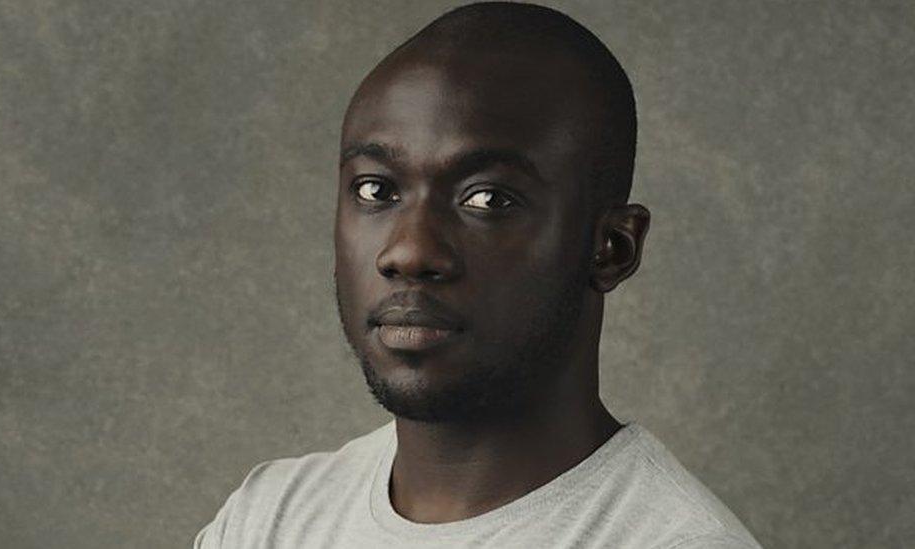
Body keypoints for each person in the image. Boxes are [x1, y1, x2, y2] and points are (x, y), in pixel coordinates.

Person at [194, 2, 761, 547]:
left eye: (487, 198)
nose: (409, 252)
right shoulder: (268, 519)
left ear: (611, 248)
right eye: (377, 189)